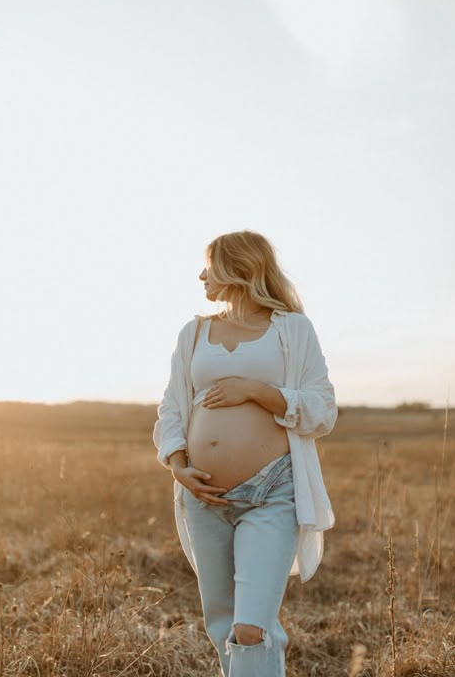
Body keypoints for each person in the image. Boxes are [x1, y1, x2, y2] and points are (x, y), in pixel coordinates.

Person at [153, 229, 338, 677]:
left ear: (240, 268)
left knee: (251, 627)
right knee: (223, 626)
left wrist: (256, 391)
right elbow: (172, 408)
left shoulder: (292, 329)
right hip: (204, 497)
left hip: (272, 491)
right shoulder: (193, 333)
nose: (201, 275)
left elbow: (322, 408)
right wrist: (178, 466)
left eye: (210, 265)